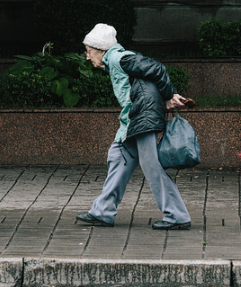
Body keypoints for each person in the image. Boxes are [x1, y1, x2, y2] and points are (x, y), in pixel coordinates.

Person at [76, 23, 191, 230]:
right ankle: (102, 211)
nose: (87, 56)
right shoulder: (115, 61)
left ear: (101, 50)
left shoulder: (120, 58)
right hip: (134, 119)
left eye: (89, 51)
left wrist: (169, 95)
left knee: (151, 166)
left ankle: (177, 216)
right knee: (118, 156)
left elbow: (157, 68)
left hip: (142, 119)